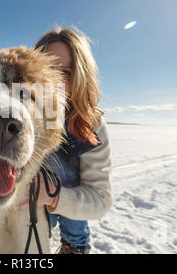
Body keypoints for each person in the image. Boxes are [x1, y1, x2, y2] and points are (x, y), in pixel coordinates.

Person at [25, 26, 113, 254]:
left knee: (71, 185)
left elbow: (99, 198)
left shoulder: (89, 124)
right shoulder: (17, 114)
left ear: (80, 77)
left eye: (65, 73)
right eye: (46, 69)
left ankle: (74, 245)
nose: (53, 81)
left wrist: (53, 196)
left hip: (64, 198)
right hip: (27, 212)